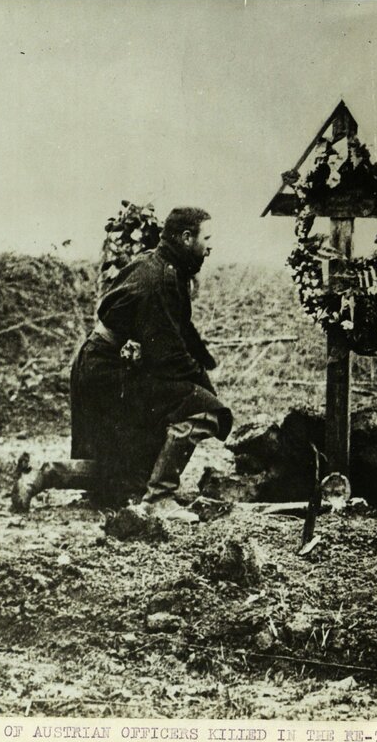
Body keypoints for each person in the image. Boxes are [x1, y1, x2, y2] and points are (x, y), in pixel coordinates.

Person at [14, 207, 232, 522]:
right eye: (206, 238)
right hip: (107, 370)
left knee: (129, 472)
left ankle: (41, 474)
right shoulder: (160, 277)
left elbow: (180, 329)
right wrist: (205, 390)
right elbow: (166, 354)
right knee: (204, 411)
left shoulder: (158, 263)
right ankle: (158, 499)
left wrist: (203, 364)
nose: (210, 246)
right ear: (186, 238)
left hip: (101, 362)